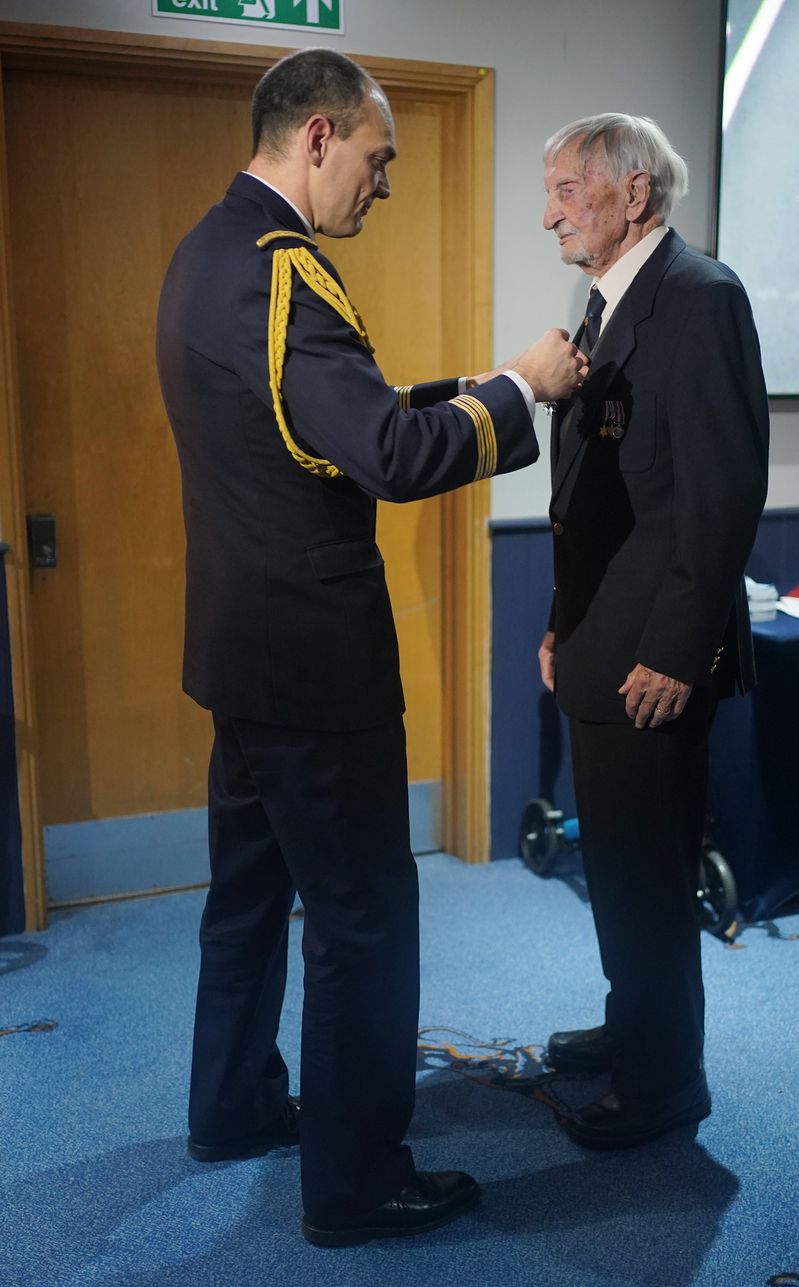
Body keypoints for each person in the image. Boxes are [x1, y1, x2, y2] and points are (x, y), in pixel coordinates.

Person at [156, 48, 586, 1247]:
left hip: (241, 651)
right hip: (315, 665)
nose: (382, 185)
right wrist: (519, 388)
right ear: (317, 137)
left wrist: (469, 387)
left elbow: (327, 421)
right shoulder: (285, 275)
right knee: (361, 920)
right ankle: (354, 1185)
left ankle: (232, 1106)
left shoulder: (206, 254)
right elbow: (389, 458)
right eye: (376, 158)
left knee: (248, 900)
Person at [537, 113, 769, 1149]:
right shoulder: (606, 302)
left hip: (652, 656)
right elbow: (590, 496)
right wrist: (560, 622)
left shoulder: (701, 296)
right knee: (619, 872)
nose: (550, 216)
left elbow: (722, 496)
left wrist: (678, 650)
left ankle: (666, 1080)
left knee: (649, 879)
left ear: (633, 194)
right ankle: (634, 1026)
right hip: (599, 639)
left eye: (567, 191)